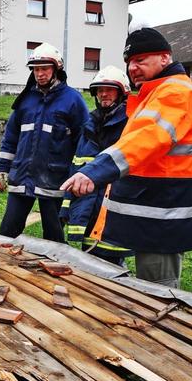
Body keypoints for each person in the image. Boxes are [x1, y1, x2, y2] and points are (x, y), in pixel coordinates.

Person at [61, 28, 192, 288]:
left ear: (165, 58)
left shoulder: (175, 92)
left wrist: (94, 172)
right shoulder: (158, 92)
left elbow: (144, 140)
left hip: (165, 212)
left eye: (140, 60)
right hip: (156, 209)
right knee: (149, 286)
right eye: (130, 62)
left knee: (158, 291)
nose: (133, 67)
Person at [0, 43, 89, 243]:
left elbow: (83, 141)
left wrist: (80, 174)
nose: (39, 73)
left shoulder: (73, 100)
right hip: (22, 177)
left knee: (53, 237)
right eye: (36, 69)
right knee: (6, 233)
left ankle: (54, 269)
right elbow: (11, 136)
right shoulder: (25, 100)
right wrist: (3, 167)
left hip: (55, 180)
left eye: (44, 68)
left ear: (56, 69)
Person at [61, 66, 133, 266]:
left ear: (122, 93)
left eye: (109, 89)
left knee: (113, 267)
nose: (103, 94)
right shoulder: (89, 125)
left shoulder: (130, 126)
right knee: (89, 263)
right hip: (88, 207)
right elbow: (76, 167)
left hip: (114, 208)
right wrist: (66, 208)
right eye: (100, 90)